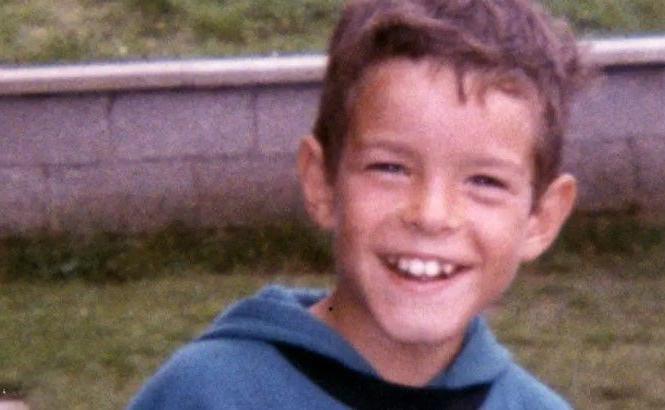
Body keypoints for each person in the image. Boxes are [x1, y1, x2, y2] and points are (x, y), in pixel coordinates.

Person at [128, 0, 583, 408]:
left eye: (484, 181)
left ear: (541, 219)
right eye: (390, 168)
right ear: (322, 183)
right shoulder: (205, 394)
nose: (430, 215)